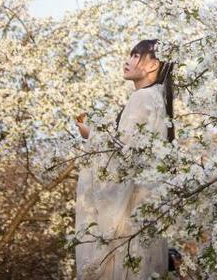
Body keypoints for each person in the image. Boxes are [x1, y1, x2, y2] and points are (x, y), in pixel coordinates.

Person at [74, 39, 175, 280]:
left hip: (128, 214)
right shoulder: (158, 99)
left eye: (136, 56)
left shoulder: (142, 98)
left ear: (153, 66)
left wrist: (92, 136)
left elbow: (123, 158)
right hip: (143, 212)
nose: (128, 61)